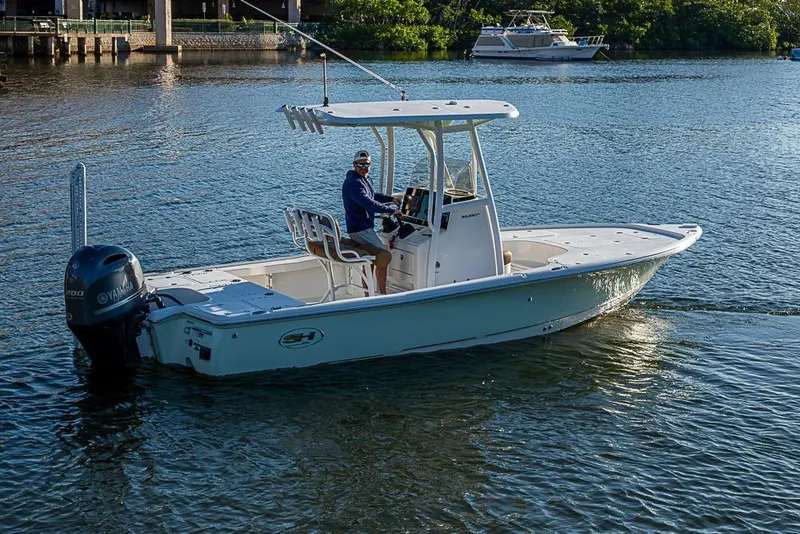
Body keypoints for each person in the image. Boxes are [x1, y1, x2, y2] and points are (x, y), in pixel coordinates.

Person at [342, 149, 402, 295]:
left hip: (362, 228)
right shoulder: (353, 183)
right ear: (354, 165)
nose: (364, 168)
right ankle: (382, 294)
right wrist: (392, 210)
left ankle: (368, 293)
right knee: (383, 255)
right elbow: (369, 203)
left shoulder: (364, 180)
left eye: (366, 165)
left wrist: (390, 199)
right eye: (360, 165)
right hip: (360, 229)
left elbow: (373, 195)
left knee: (370, 258)